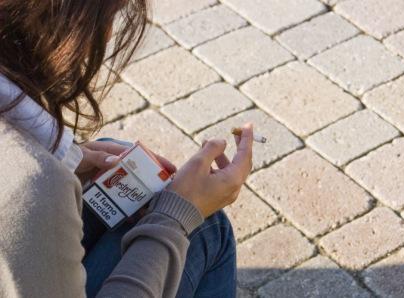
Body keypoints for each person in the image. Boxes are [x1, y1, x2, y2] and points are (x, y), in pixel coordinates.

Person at [0, 1, 253, 297]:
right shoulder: (33, 185)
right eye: (106, 16)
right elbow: (27, 191)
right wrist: (177, 216)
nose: (107, 35)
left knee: (119, 170)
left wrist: (66, 158)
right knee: (206, 227)